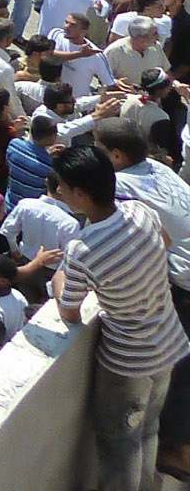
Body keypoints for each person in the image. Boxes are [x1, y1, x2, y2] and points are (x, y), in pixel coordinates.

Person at [50, 140, 190, 491]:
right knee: (149, 429)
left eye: (64, 188)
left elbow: (69, 311)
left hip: (128, 363)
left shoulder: (83, 249)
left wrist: (58, 277)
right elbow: (166, 242)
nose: (61, 193)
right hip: (169, 343)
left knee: (119, 444)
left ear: (80, 195)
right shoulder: (141, 212)